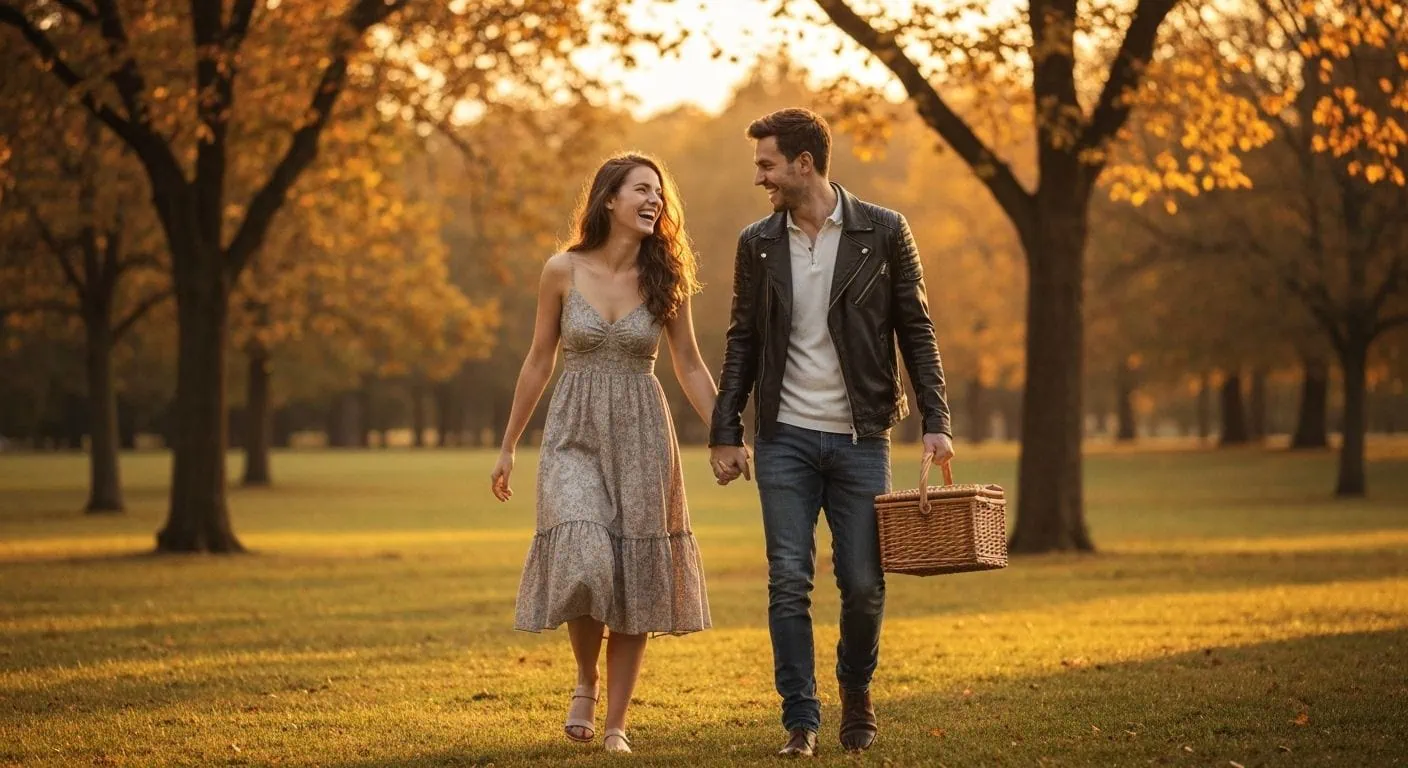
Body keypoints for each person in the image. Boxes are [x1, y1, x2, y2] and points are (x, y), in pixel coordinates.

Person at [709, 108, 955, 757]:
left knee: (865, 582)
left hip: (861, 436)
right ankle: (800, 717)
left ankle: (856, 691)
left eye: (766, 165)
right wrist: (725, 427)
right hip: (784, 437)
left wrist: (937, 421)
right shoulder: (757, 242)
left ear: (803, 163)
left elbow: (917, 328)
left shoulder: (885, 230)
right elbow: (742, 338)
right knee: (788, 579)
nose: (759, 178)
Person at [492, 153, 719, 754]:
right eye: (642, 190)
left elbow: (690, 365)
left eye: (660, 194)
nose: (655, 202)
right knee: (585, 553)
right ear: (609, 199)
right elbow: (539, 359)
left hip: (644, 435)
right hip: (573, 433)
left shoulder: (667, 276)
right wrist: (510, 444)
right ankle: (586, 680)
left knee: (634, 574)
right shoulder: (561, 270)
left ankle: (616, 722)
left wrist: (726, 432)